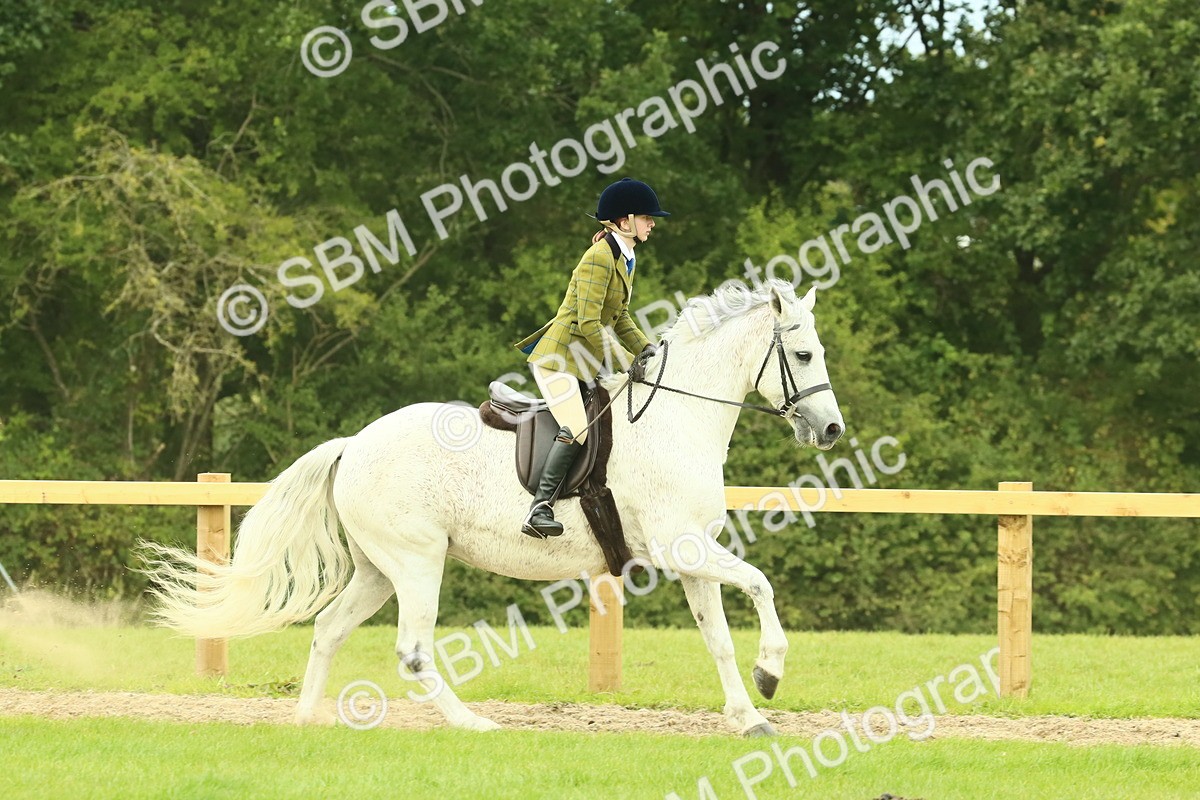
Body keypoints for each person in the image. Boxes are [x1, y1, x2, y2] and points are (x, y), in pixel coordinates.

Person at [511, 177, 669, 539]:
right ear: (625, 221)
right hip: (559, 359)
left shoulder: (625, 256)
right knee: (578, 427)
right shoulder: (598, 258)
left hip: (582, 360)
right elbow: (588, 321)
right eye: (647, 217)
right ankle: (539, 508)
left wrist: (646, 348)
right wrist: (620, 360)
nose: (653, 223)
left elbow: (620, 315)